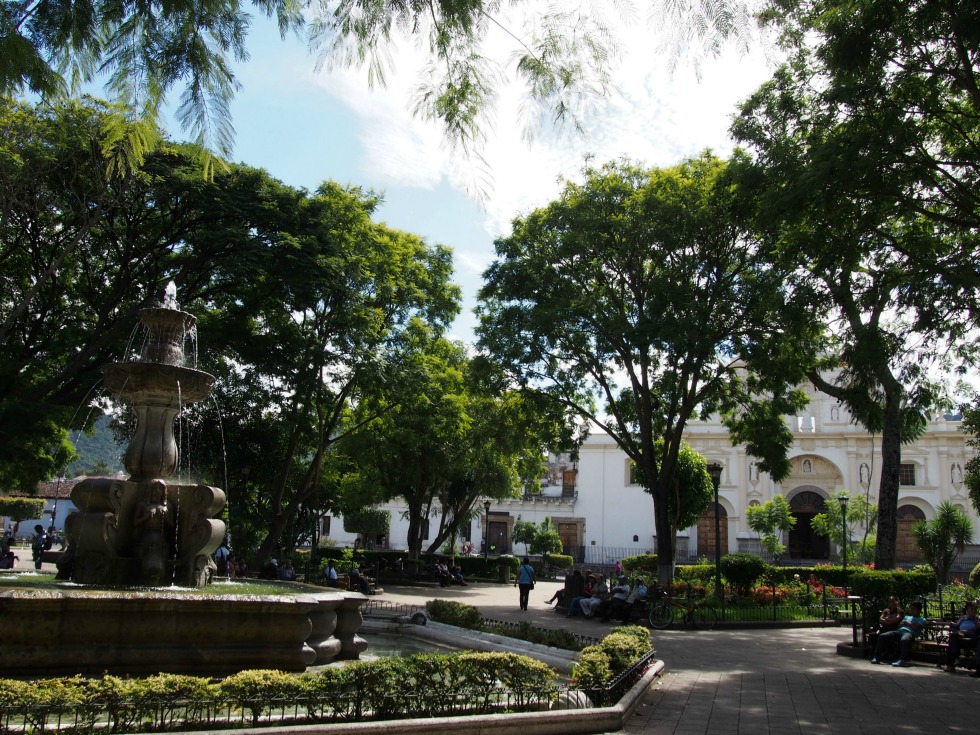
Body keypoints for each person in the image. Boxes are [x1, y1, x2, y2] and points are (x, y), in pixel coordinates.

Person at [871, 601, 926, 666]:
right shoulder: (907, 617)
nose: (911, 611)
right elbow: (900, 625)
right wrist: (910, 624)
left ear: (919, 610)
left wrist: (907, 623)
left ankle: (902, 660)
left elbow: (916, 628)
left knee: (904, 640)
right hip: (899, 631)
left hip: (909, 633)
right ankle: (876, 657)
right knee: (883, 636)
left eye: (913, 609)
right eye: (911, 609)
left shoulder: (922, 619)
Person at [943, 601, 979, 673]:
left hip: (972, 639)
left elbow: (978, 630)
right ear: (967, 610)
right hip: (961, 637)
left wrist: (968, 631)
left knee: (953, 641)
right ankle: (953, 662)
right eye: (972, 609)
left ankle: (953, 661)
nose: (974, 611)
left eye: (975, 609)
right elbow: (956, 626)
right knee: (953, 637)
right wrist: (956, 630)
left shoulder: (977, 619)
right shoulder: (963, 618)